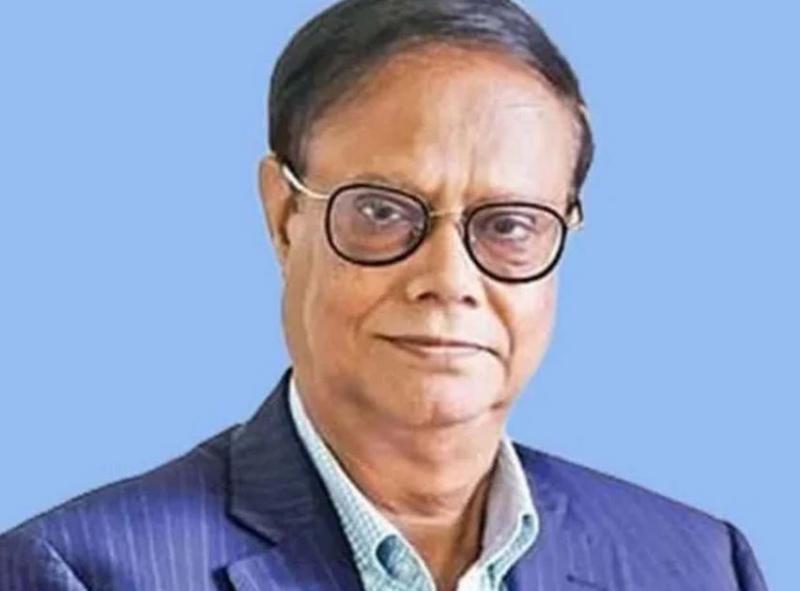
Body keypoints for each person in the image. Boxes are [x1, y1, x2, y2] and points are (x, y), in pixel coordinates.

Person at [0, 0, 768, 589]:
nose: (449, 279)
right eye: (382, 213)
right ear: (284, 215)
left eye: (508, 224)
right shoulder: (83, 570)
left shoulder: (698, 563)